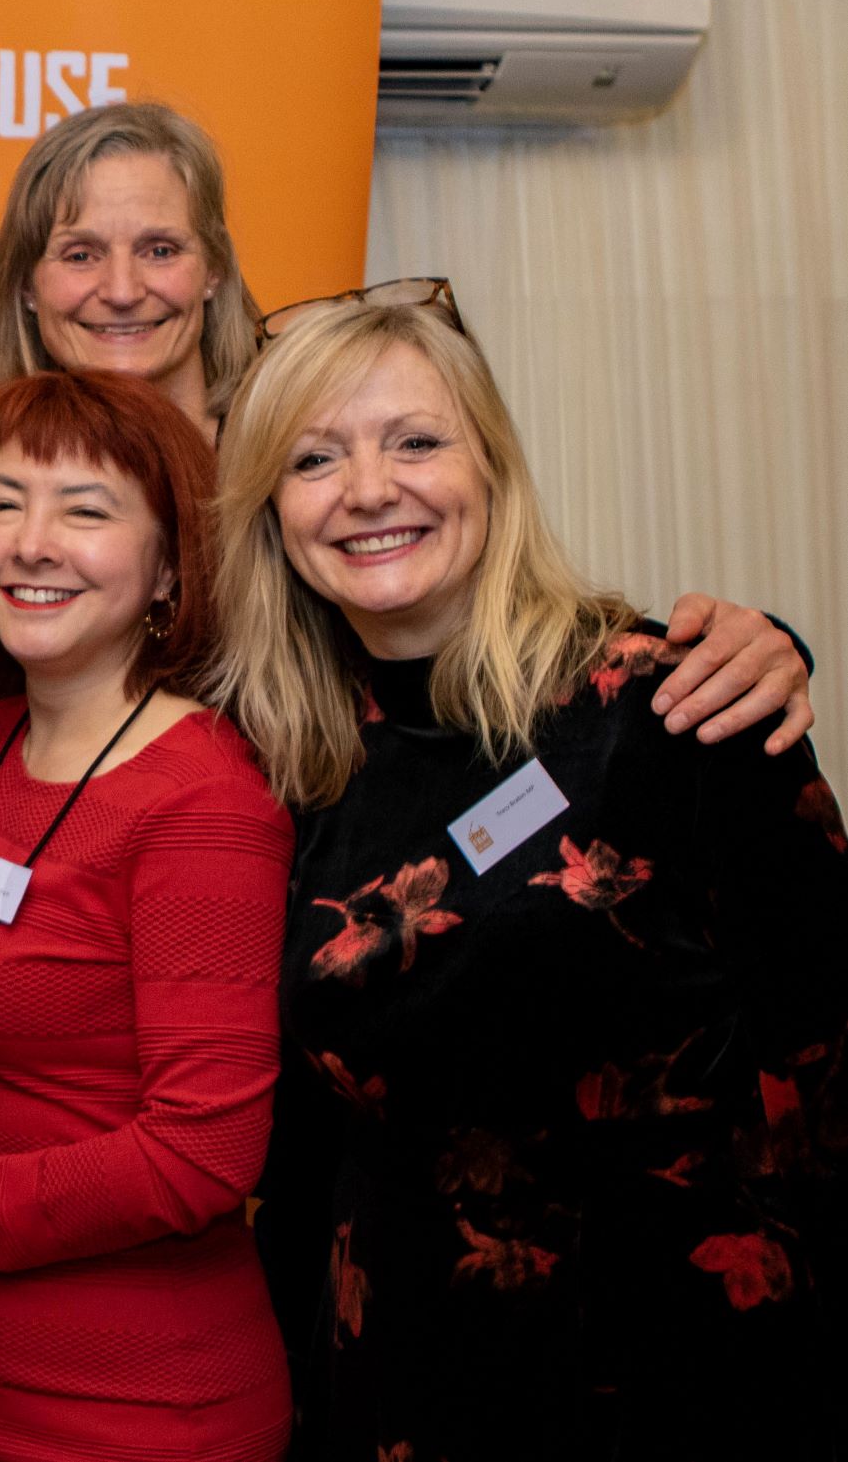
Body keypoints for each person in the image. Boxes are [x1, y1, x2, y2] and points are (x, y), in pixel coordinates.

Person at [0, 103, 813, 750]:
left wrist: (745, 646)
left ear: (213, 270)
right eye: (78, 252)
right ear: (26, 285)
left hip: (355, 924)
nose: (120, 288)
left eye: (159, 248)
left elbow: (490, 607)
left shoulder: (306, 448)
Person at [215, 298, 848, 1459]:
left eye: (415, 440)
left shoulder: (671, 707)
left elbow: (830, 1049)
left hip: (679, 1377)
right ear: (270, 512)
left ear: (492, 468)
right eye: (313, 459)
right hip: (402, 1379)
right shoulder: (284, 763)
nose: (367, 488)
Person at [0, 369, 294, 1462]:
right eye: (2, 502)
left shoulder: (202, 798)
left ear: (168, 565)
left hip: (147, 1409)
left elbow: (204, 1154)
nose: (32, 543)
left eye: (85, 510)